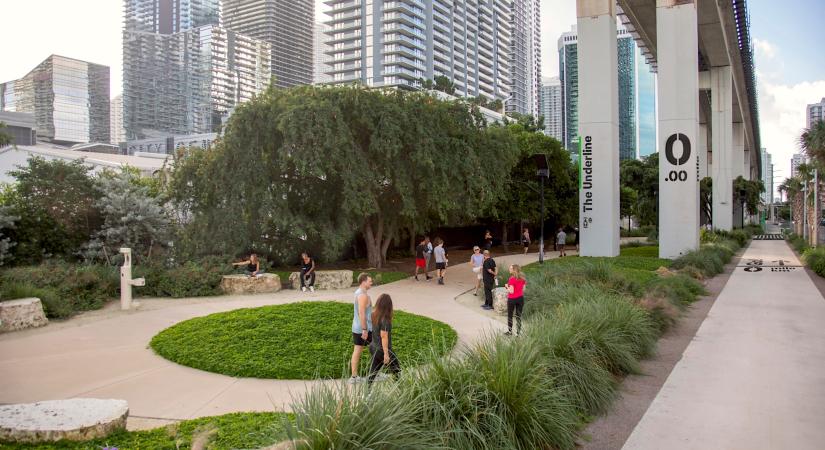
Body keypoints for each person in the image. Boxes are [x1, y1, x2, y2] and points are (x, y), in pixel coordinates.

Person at [368, 293, 401, 384]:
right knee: (397, 371)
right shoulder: (385, 320)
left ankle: (366, 394)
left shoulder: (374, 315)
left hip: (373, 347)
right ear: (388, 306)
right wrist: (386, 354)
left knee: (373, 373)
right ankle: (401, 391)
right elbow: (384, 336)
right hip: (382, 350)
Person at [349, 273, 373, 384]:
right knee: (367, 349)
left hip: (359, 327)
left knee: (371, 349)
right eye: (370, 281)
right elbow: (362, 312)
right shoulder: (362, 295)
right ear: (363, 282)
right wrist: (364, 329)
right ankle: (355, 377)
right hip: (362, 328)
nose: (371, 282)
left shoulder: (359, 293)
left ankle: (356, 376)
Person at [504, 264, 527, 336]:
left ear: (514, 270)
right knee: (518, 316)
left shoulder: (512, 279)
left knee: (510, 315)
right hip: (520, 299)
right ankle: (518, 333)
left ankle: (510, 332)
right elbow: (524, 289)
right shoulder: (523, 278)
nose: (509, 269)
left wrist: (506, 286)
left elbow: (511, 291)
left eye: (511, 268)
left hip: (512, 299)